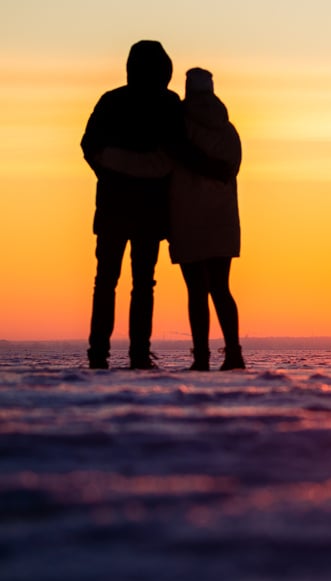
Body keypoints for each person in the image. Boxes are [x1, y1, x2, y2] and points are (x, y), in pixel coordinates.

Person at [80, 40, 182, 369]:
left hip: (115, 206)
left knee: (107, 282)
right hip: (147, 210)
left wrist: (110, 171)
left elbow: (89, 145)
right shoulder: (168, 103)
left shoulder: (112, 101)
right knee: (140, 283)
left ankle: (101, 354)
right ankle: (136, 354)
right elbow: (178, 150)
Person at [170, 68, 245, 371]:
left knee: (196, 290)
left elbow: (168, 162)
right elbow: (232, 170)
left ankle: (201, 357)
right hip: (222, 217)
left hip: (186, 215)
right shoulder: (228, 131)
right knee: (222, 287)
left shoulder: (180, 126)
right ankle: (233, 353)